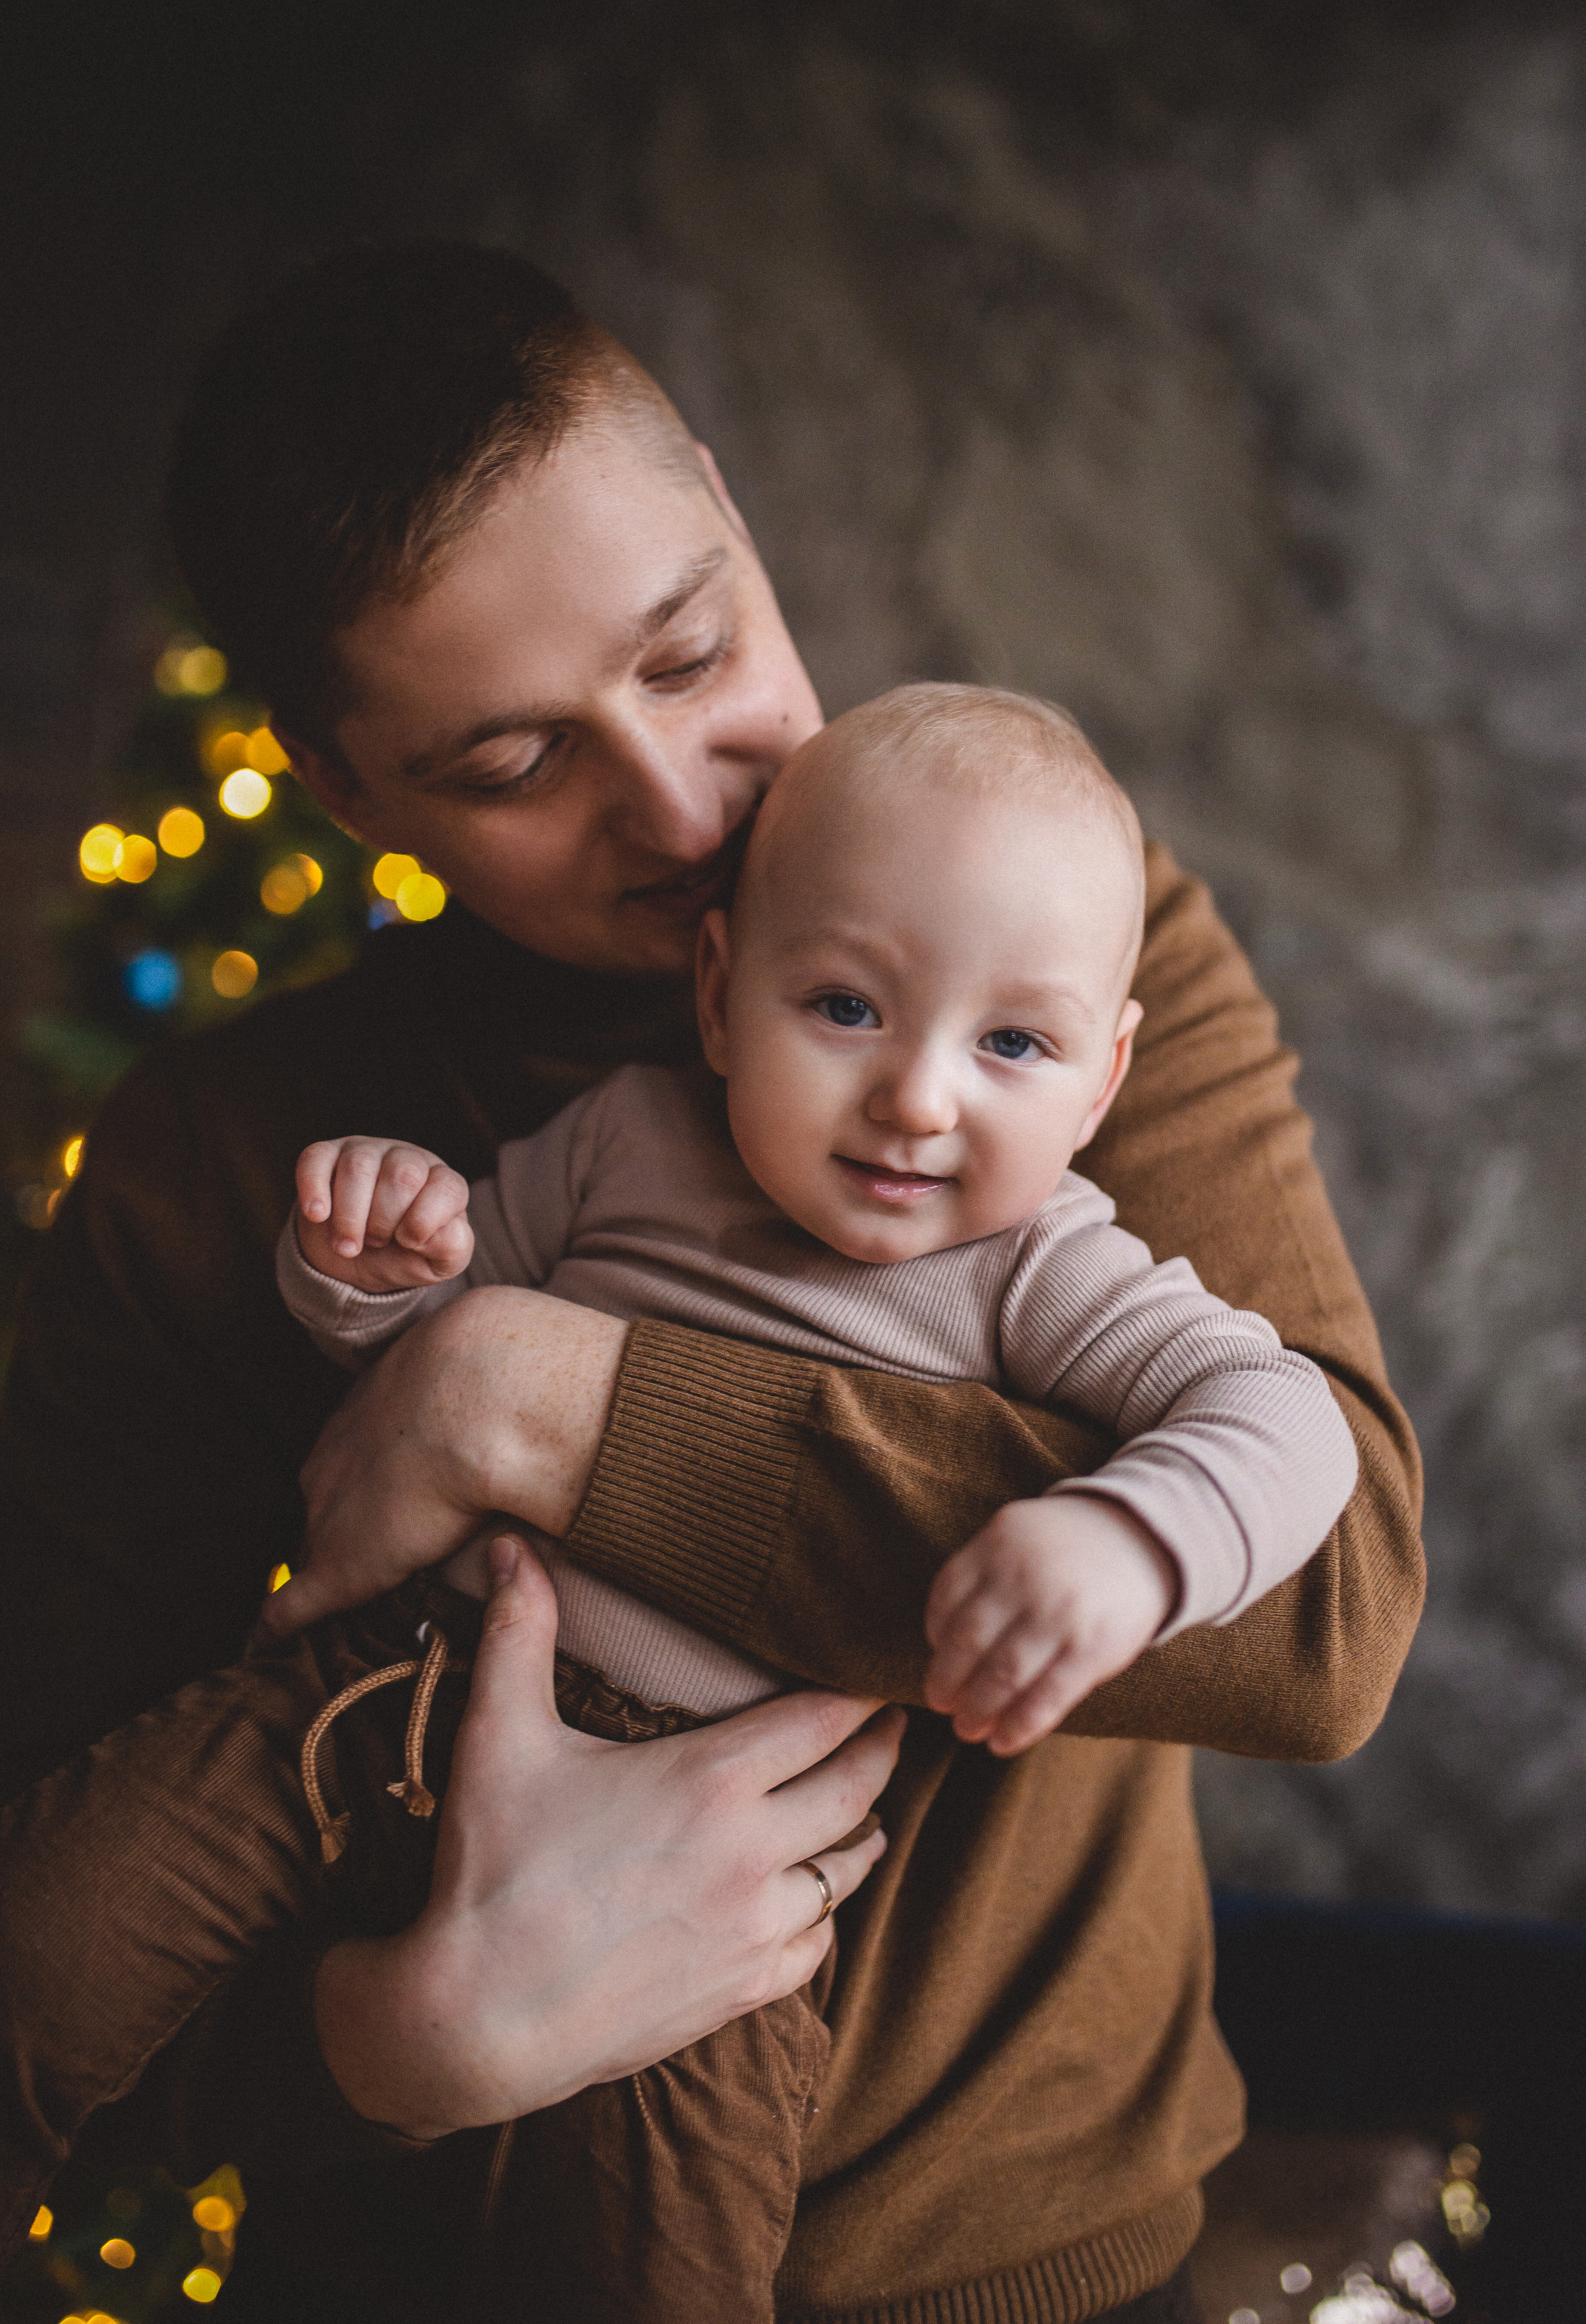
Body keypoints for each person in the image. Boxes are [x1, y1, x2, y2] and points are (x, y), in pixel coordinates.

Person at [0, 245, 1423, 2323]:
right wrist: (404, 2045)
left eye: (692, 653)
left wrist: (544, 1403)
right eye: (512, 766)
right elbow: (73, 1965)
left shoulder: (1057, 966)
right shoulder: (228, 1165)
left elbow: (1326, 1615)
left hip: (1035, 2262)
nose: (677, 809)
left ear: (737, 530)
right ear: (346, 792)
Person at [257, 682, 1357, 2318]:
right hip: (406, 2064)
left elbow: (1317, 1524)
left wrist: (1129, 1535)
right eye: (509, 749)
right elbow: (410, 1320)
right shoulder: (611, 1141)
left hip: (918, 2143)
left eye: (688, 653)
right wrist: (364, 1280)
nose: (920, 1097)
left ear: (1101, 1074)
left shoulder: (1043, 1222)